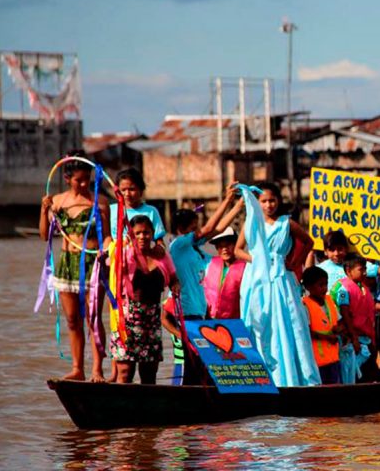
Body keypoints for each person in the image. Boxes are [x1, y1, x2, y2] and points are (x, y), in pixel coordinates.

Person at [235, 182, 320, 387]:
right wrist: (257, 259)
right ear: (258, 203)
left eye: (272, 200)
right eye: (263, 201)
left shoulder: (286, 223)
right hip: (256, 278)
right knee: (259, 323)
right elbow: (238, 250)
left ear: (278, 201)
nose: (268, 205)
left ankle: (292, 378)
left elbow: (309, 242)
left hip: (281, 278)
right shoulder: (251, 223)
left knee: (289, 323)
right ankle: (260, 377)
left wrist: (295, 261)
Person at [39, 157, 112, 382]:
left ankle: (97, 370)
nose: (83, 185)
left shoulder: (100, 202)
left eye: (87, 180)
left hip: (93, 264)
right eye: (78, 181)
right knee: (72, 319)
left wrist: (107, 251)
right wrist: (44, 211)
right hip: (67, 265)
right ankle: (77, 368)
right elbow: (44, 236)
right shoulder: (58, 202)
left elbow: (107, 236)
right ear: (67, 179)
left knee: (93, 318)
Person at [164, 185, 243, 384]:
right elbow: (208, 230)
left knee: (200, 366)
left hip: (200, 315)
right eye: (194, 228)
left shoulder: (192, 248)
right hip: (186, 313)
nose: (198, 232)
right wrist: (226, 200)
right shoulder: (179, 245)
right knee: (190, 367)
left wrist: (239, 204)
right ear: (183, 229)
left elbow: (215, 230)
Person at [111, 215, 180, 384]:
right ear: (131, 235)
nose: (142, 237)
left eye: (146, 233)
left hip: (152, 321)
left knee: (149, 373)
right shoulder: (124, 253)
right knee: (125, 371)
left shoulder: (161, 255)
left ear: (152, 234)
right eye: (138, 233)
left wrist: (175, 286)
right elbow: (110, 270)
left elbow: (173, 278)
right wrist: (121, 247)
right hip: (127, 319)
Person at [334, 254, 377, 383]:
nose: (364, 272)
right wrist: (354, 339)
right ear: (348, 270)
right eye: (361, 269)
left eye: (365, 269)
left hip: (367, 338)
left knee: (368, 375)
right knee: (356, 376)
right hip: (355, 340)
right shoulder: (344, 289)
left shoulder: (364, 287)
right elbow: (345, 314)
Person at [301, 266, 344, 385]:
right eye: (320, 285)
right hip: (317, 361)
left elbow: (339, 321)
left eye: (326, 284)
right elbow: (306, 332)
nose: (325, 288)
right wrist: (327, 337)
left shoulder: (329, 301)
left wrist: (339, 329)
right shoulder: (305, 305)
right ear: (309, 287)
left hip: (333, 358)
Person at [109, 168, 166, 242]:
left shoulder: (151, 211)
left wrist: (159, 248)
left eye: (132, 189)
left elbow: (159, 240)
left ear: (141, 191)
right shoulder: (110, 210)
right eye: (123, 190)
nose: (127, 194)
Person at [316, 229, 348, 294]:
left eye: (340, 249)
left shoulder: (353, 266)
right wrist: (311, 252)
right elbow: (308, 274)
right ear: (325, 251)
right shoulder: (321, 268)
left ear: (346, 249)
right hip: (327, 302)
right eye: (332, 250)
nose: (336, 253)